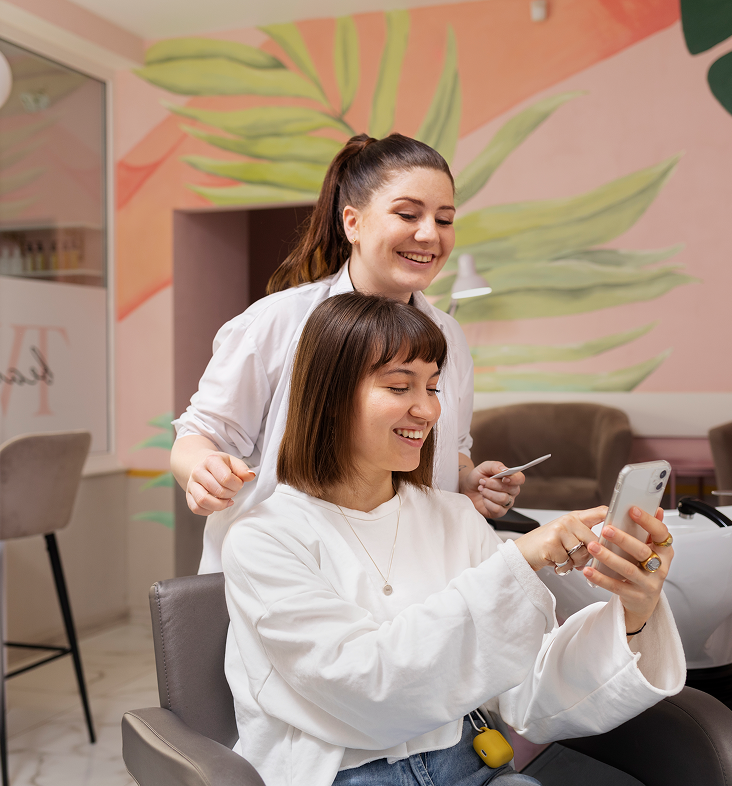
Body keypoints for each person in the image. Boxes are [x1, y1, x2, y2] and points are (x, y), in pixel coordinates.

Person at [222, 293, 685, 786]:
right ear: (328, 397)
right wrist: (517, 564)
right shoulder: (264, 538)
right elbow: (368, 689)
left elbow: (526, 688)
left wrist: (632, 617)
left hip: (472, 765)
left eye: (434, 387)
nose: (427, 410)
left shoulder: (454, 517)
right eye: (400, 386)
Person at [172, 133, 525, 574]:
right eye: (407, 214)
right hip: (283, 574)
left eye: (445, 219)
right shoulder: (276, 322)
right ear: (352, 223)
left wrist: (468, 480)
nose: (429, 234)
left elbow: (449, 448)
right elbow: (198, 436)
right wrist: (204, 470)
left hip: (405, 575)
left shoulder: (447, 335)